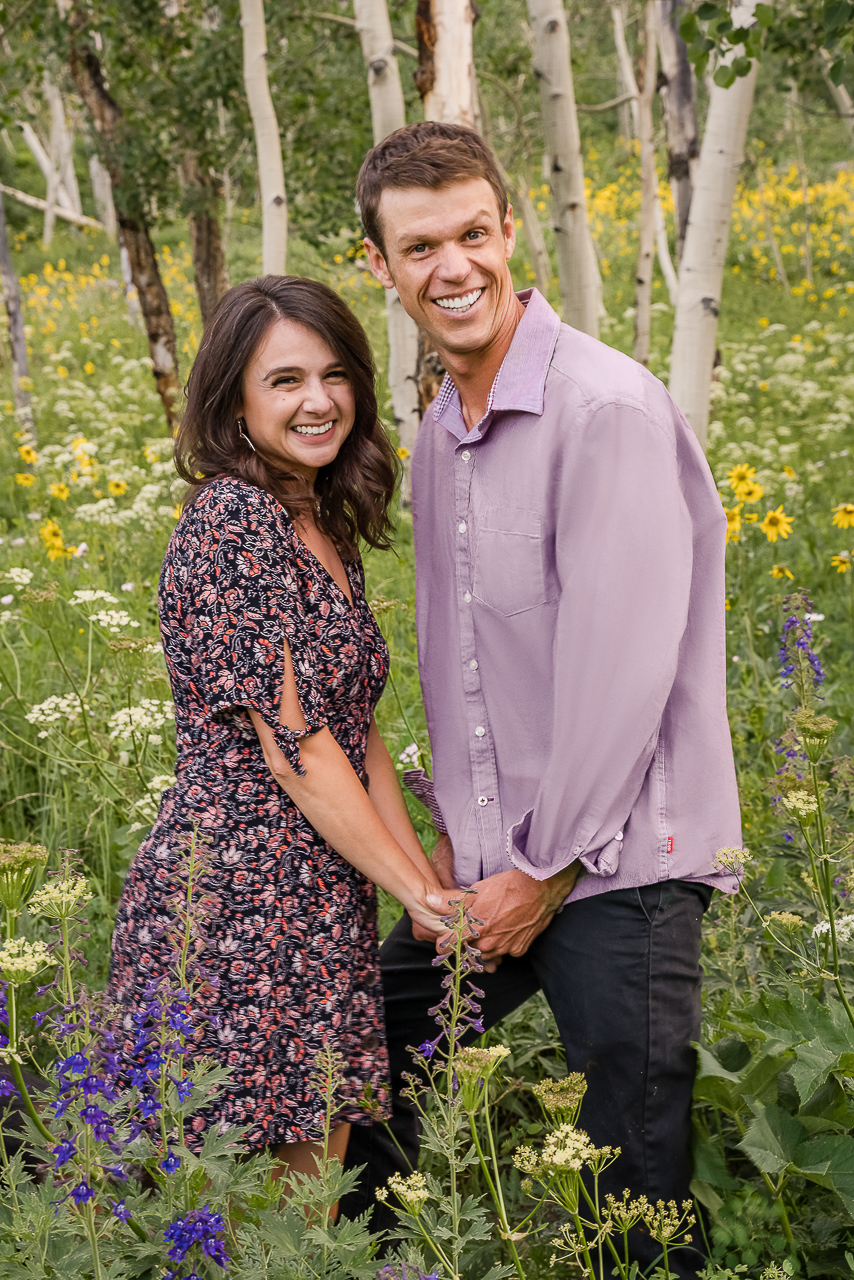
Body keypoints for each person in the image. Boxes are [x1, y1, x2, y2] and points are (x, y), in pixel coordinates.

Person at [341, 123, 743, 1276]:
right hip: (496, 864)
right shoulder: (439, 435)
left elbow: (625, 672)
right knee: (362, 1048)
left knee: (633, 1173)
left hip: (618, 869)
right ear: (379, 264)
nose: (453, 266)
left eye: (473, 232)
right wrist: (477, 869)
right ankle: (389, 1258)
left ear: (508, 230)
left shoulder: (601, 410)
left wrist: (546, 868)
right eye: (421, 246)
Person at [108, 275, 449, 1183]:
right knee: (256, 1220)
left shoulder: (320, 522)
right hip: (235, 899)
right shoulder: (234, 519)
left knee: (312, 1212)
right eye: (286, 380)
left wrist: (424, 890)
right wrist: (417, 899)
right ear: (234, 400)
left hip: (321, 893)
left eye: (335, 376)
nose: (318, 401)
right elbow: (297, 751)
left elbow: (359, 733)